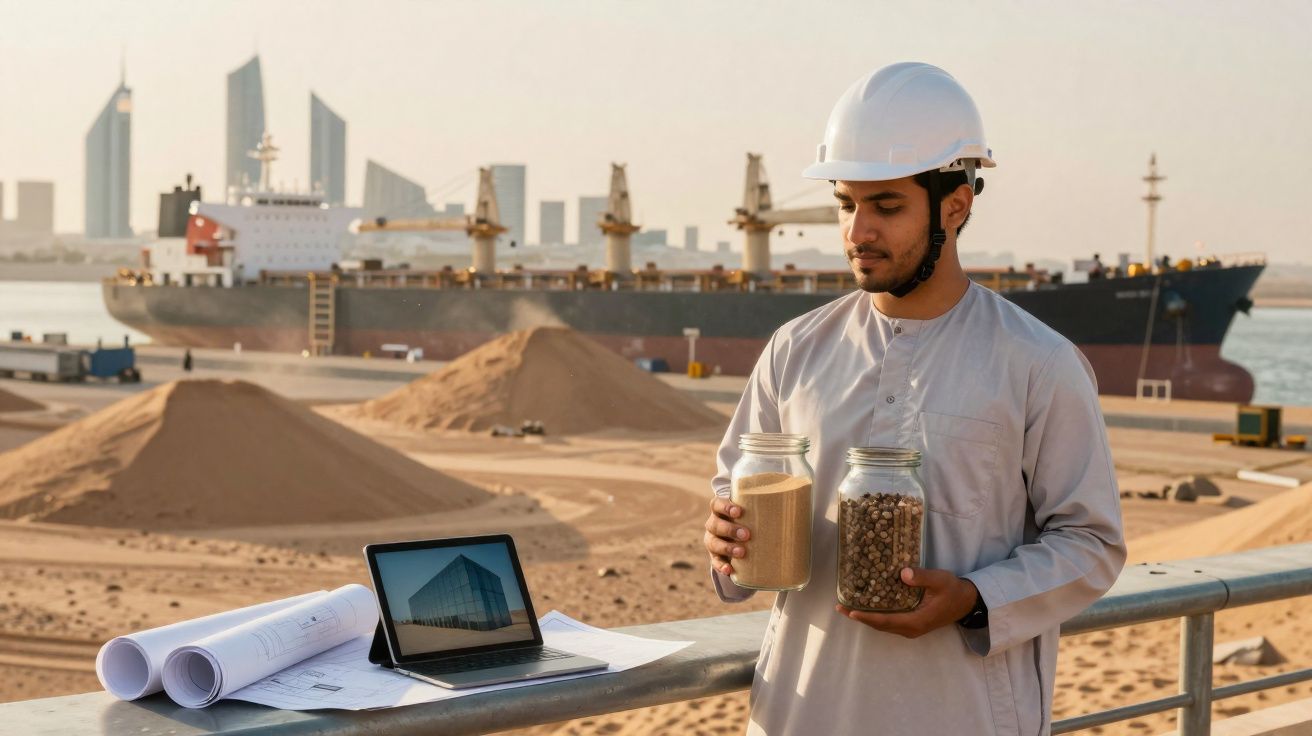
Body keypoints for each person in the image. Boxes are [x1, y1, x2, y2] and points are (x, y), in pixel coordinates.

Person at [702, 62, 1125, 735]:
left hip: (961, 712)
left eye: (886, 206)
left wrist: (975, 598)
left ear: (955, 206)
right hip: (802, 711)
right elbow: (736, 498)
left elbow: (1091, 542)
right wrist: (728, 539)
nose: (857, 231)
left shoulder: (1038, 363)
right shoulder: (794, 349)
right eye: (846, 204)